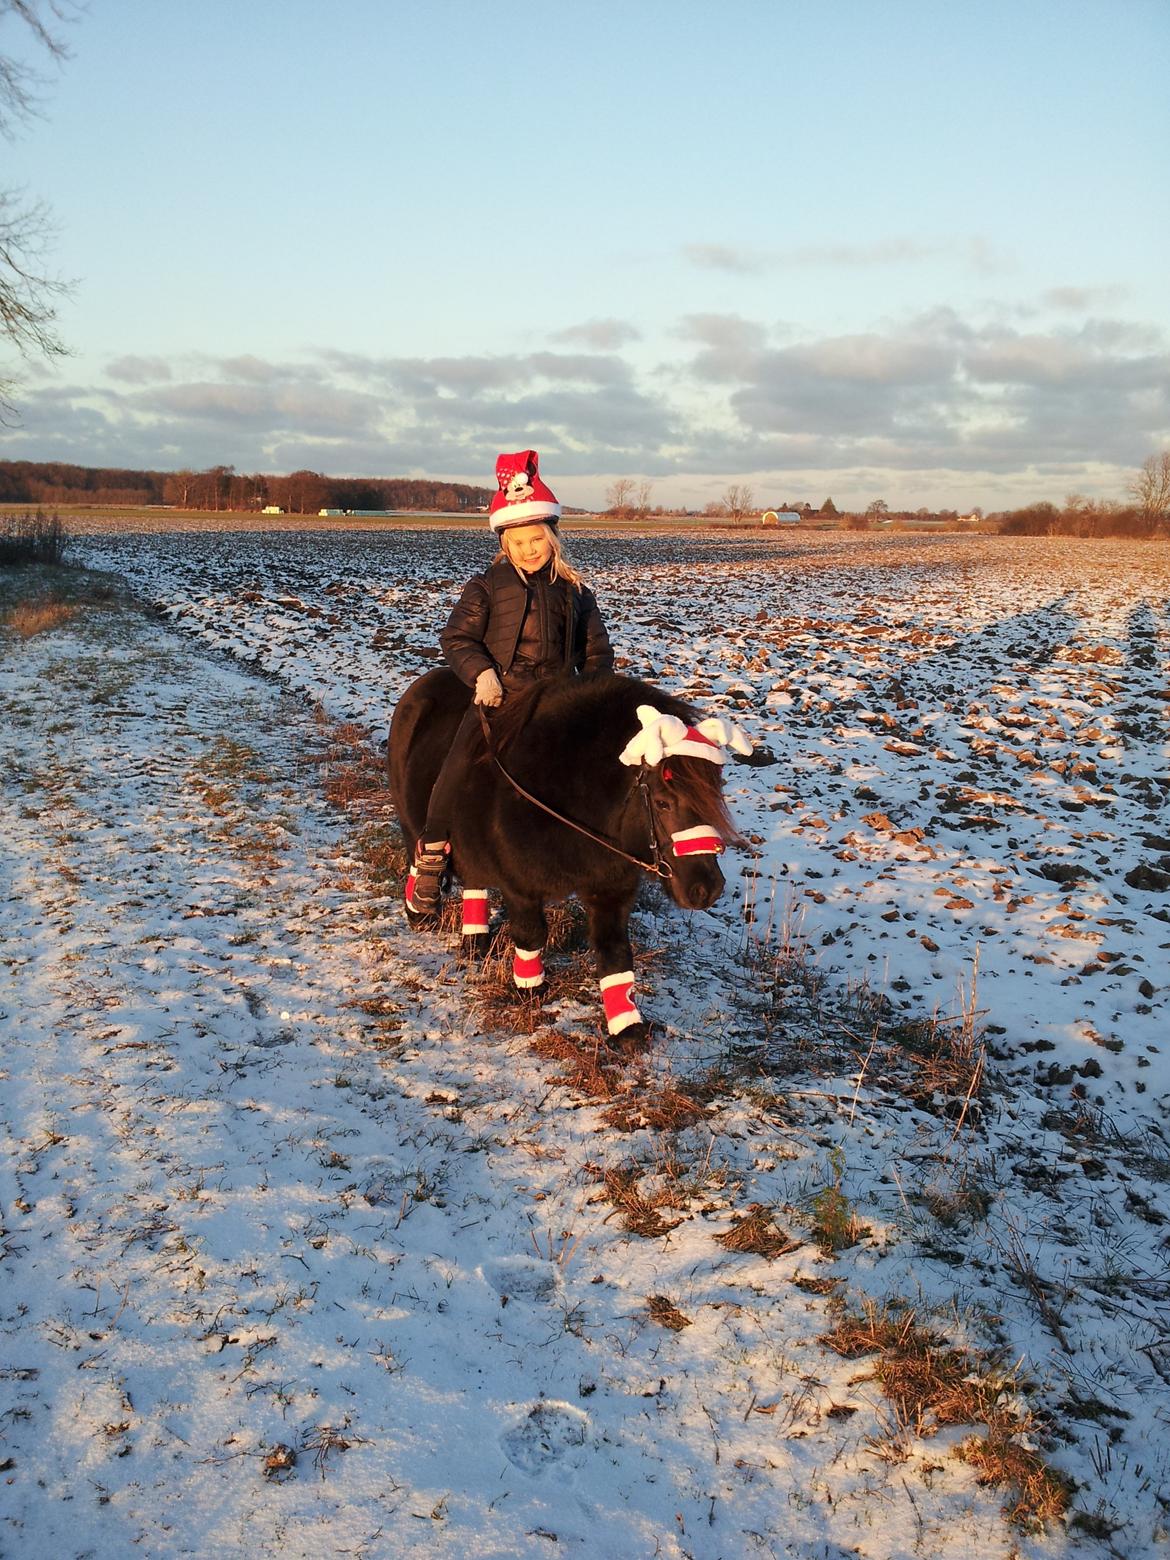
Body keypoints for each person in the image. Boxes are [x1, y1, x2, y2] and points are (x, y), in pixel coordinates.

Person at [407, 448, 614, 917]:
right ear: (505, 543)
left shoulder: (576, 591)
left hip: (557, 704)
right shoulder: (486, 586)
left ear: (551, 536)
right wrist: (481, 675)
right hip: (499, 700)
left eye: (535, 539)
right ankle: (433, 856)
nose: (528, 549)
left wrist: (592, 694)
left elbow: (597, 651)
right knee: (457, 769)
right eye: (517, 542)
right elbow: (456, 637)